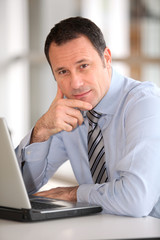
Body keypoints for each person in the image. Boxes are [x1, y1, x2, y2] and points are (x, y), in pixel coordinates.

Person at [16, 16, 160, 218]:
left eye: (83, 66)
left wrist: (73, 193)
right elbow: (19, 189)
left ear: (106, 59)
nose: (75, 83)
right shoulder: (70, 110)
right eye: (63, 71)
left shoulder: (145, 103)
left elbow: (136, 200)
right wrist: (41, 131)